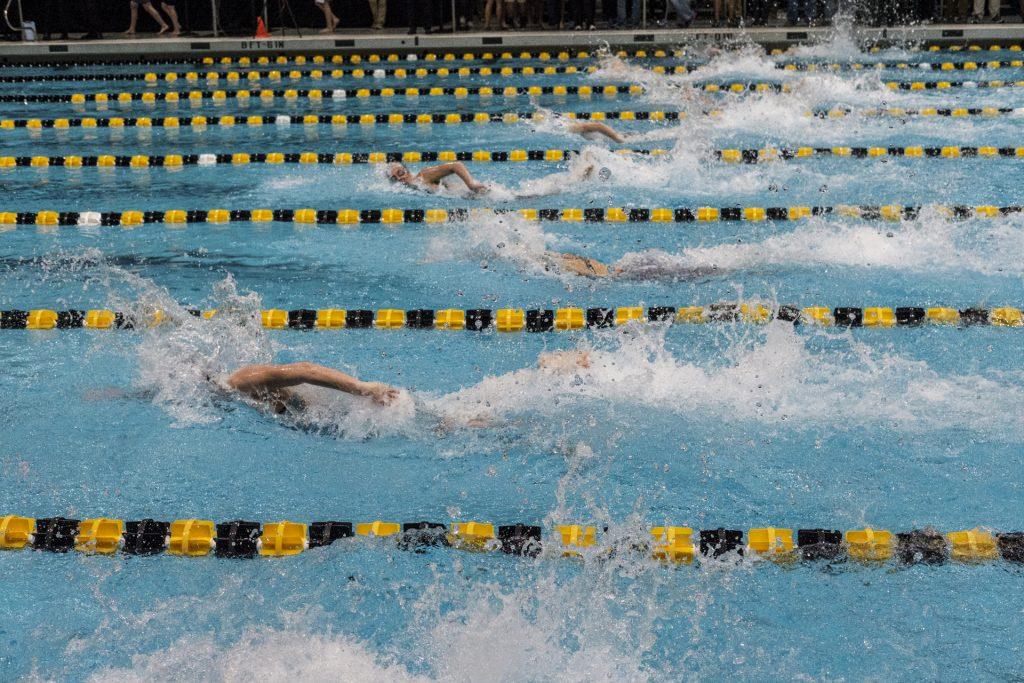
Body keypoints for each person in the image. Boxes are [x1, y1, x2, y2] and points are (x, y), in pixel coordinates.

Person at [225, 361, 400, 414]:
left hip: (370, 411)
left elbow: (306, 371)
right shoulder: (225, 396)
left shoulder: (239, 381)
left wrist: (364, 388)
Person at [386, 161, 489, 194]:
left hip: (477, 193)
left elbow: (456, 165)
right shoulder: (412, 188)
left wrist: (471, 185)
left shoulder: (423, 176)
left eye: (400, 172)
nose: (399, 179)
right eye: (394, 178)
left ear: (406, 171)